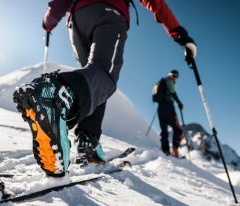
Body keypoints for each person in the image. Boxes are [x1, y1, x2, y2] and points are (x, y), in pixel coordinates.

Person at [13, 0, 197, 177]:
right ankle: (53, 97)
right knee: (104, 76)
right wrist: (178, 32)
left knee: (93, 81)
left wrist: (49, 21)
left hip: (77, 20)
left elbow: (59, 3)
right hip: (109, 12)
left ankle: (88, 140)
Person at [155, 69, 185, 157]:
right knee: (178, 130)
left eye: (177, 76)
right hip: (169, 108)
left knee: (164, 130)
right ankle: (175, 151)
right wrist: (179, 102)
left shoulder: (161, 82)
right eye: (174, 75)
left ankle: (166, 151)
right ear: (170, 75)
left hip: (160, 108)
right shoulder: (168, 81)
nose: (175, 78)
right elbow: (173, 93)